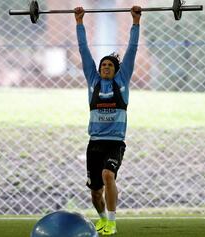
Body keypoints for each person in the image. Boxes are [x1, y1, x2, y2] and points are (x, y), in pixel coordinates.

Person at [74, 5, 141, 236]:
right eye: (103, 64)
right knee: (95, 192)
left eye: (109, 65)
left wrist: (135, 21)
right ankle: (102, 218)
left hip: (114, 142)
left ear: (117, 70)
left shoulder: (121, 83)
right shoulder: (92, 81)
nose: (105, 67)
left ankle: (112, 221)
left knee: (107, 175)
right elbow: (84, 52)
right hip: (94, 143)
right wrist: (79, 22)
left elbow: (131, 50)